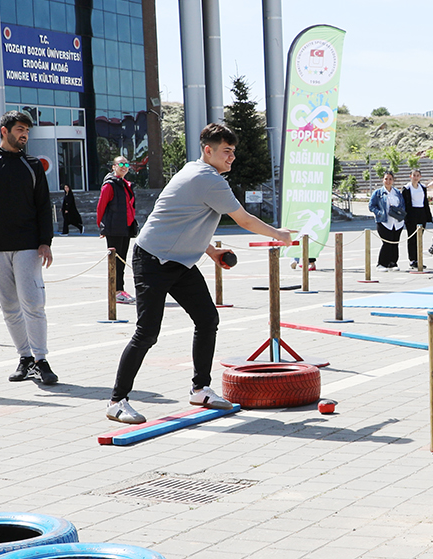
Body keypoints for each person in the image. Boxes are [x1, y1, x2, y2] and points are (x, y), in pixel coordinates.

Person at [105, 123, 293, 423]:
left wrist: (211, 251)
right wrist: (278, 234)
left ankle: (200, 389)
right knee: (147, 332)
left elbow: (183, 220)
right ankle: (117, 401)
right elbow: (243, 219)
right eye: (226, 152)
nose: (231, 158)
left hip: (179, 262)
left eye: (233, 152)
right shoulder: (207, 178)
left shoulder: (198, 172)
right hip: (153, 260)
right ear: (208, 150)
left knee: (207, 318)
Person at [0, 110, 58, 386]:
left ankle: (41, 360)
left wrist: (45, 242)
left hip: (28, 246)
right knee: (8, 305)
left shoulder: (32, 164)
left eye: (27, 130)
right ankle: (25, 358)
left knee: (33, 302)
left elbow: (43, 205)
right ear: (4, 131)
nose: (24, 134)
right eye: (19, 129)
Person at [96, 156, 138, 304]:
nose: (124, 167)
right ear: (113, 167)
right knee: (115, 261)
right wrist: (101, 227)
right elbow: (101, 206)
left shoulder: (125, 184)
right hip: (114, 228)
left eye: (126, 164)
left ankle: (120, 290)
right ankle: (116, 291)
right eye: (120, 164)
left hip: (125, 227)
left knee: (122, 261)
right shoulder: (110, 184)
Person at [369, 172, 406, 270]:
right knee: (387, 243)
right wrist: (379, 213)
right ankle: (381, 264)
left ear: (393, 180)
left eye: (390, 179)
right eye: (386, 179)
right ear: (383, 180)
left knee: (395, 242)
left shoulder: (397, 192)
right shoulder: (378, 193)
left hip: (397, 222)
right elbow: (371, 206)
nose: (388, 181)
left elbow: (402, 204)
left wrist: (399, 212)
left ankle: (393, 263)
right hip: (384, 221)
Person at [401, 166, 433, 268]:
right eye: (414, 175)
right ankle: (412, 259)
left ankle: (419, 259)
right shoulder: (407, 188)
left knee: (420, 237)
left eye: (417, 175)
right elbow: (405, 203)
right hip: (411, 214)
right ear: (410, 176)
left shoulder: (422, 187)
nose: (415, 177)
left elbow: (425, 202)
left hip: (421, 213)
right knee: (412, 237)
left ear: (420, 177)